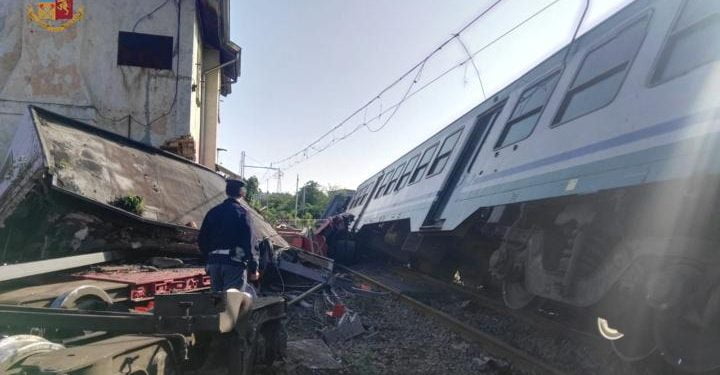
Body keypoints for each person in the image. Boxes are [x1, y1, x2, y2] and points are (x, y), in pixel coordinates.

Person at [198, 178, 259, 293]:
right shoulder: (242, 213)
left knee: (217, 302)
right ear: (241, 193)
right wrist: (254, 268)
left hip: (214, 262)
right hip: (234, 263)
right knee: (232, 303)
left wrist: (208, 260)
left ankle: (217, 311)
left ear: (226, 192)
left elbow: (202, 239)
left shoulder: (213, 212)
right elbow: (249, 242)